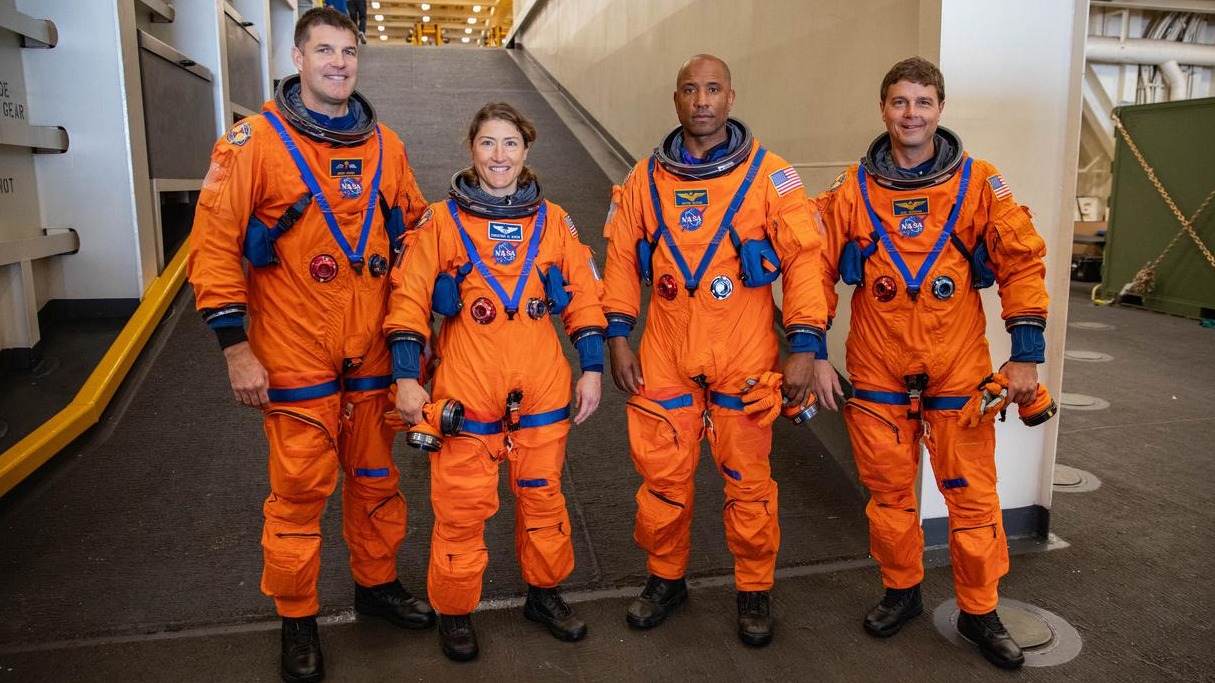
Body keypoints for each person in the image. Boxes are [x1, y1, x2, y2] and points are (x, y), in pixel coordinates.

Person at [186, 8, 434, 683]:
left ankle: (376, 586)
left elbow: (413, 233)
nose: (339, 63)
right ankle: (297, 617)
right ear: (298, 58)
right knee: (298, 492)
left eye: (348, 52)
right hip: (294, 352)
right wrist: (235, 347)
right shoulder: (250, 143)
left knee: (377, 480)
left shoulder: (386, 145)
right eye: (324, 50)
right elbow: (212, 247)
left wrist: (419, 331)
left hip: (374, 354)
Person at [809, 56, 1050, 670]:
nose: (910, 114)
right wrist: (809, 348)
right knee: (890, 495)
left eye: (922, 102)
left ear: (940, 108)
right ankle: (901, 590)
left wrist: (1026, 358)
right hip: (878, 368)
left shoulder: (977, 183)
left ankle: (979, 609)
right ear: (883, 109)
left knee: (971, 499)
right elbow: (810, 265)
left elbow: (1020, 260)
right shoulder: (852, 191)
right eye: (899, 102)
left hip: (957, 368)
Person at [601, 54, 828, 647]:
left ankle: (754, 590)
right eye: (689, 90)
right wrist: (618, 336)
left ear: (731, 97)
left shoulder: (771, 175)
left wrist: (803, 345)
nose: (701, 100)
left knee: (749, 484)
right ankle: (665, 579)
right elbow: (623, 260)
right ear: (675, 100)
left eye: (712, 90)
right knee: (662, 480)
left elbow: (805, 262)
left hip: (745, 355)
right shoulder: (645, 179)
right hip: (665, 352)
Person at [386, 102, 607, 662]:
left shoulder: (554, 221)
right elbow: (409, 298)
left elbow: (583, 296)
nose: (499, 155)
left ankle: (545, 594)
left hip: (542, 386)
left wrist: (593, 369)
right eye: (488, 143)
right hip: (466, 388)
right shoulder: (440, 221)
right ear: (471, 149)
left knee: (544, 501)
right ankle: (456, 612)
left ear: (526, 151)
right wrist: (408, 379)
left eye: (510, 143)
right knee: (460, 509)